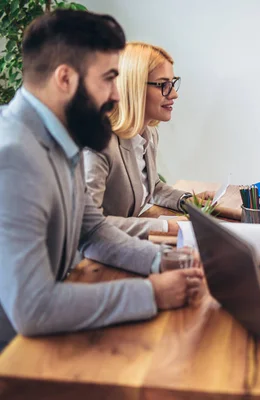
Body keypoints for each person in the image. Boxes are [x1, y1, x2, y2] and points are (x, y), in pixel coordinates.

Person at [0, 10, 204, 351]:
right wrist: (153, 292)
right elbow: (33, 307)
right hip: (16, 355)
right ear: (64, 78)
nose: (118, 95)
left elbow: (91, 228)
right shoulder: (14, 157)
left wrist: (160, 260)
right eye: (108, 79)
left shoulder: (60, 137)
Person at [83, 41, 213, 239]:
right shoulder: (97, 144)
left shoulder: (148, 132)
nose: (174, 94)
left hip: (123, 246)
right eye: (163, 85)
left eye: (173, 83)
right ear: (132, 87)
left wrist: (188, 201)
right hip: (86, 260)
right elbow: (88, 223)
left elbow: (152, 187)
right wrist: (164, 227)